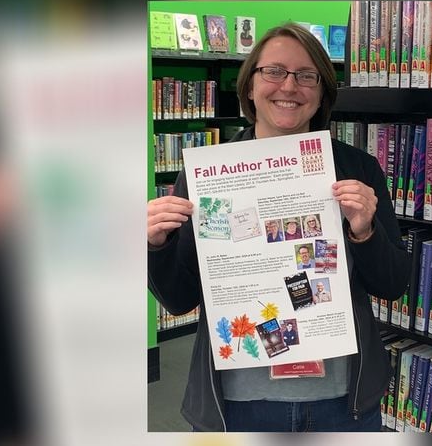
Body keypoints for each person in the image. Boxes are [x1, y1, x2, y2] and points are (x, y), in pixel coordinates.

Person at [147, 22, 410, 432]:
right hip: (238, 403)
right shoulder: (206, 176)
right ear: (250, 86)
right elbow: (180, 299)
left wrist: (364, 232)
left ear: (322, 92)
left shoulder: (358, 170)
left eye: (307, 76)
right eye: (273, 71)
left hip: (342, 403)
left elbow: (393, 284)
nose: (289, 86)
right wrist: (156, 244)